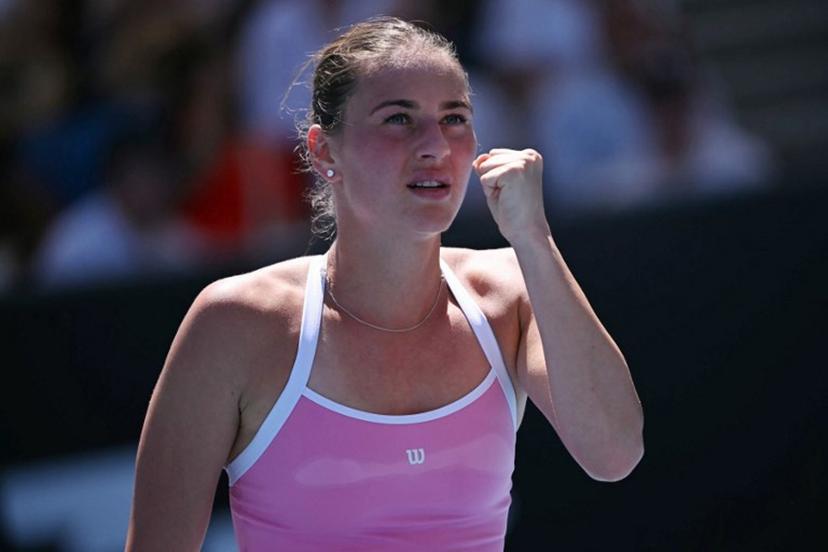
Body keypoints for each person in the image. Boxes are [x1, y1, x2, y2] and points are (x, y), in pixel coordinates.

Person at [126, 17, 644, 551]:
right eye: (398, 118)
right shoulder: (234, 323)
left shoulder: (512, 290)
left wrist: (533, 238)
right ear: (326, 152)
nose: (435, 146)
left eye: (454, 118)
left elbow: (614, 454)